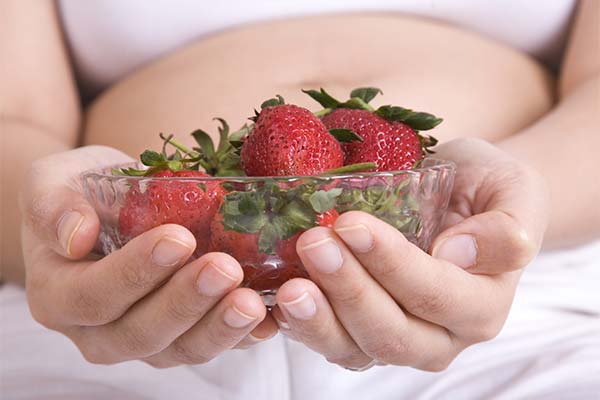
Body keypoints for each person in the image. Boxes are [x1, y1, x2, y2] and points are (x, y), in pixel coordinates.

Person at [1, 0, 599, 398]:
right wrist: (58, 230)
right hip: (106, 311)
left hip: (523, 302)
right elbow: (14, 117)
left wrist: (503, 215)